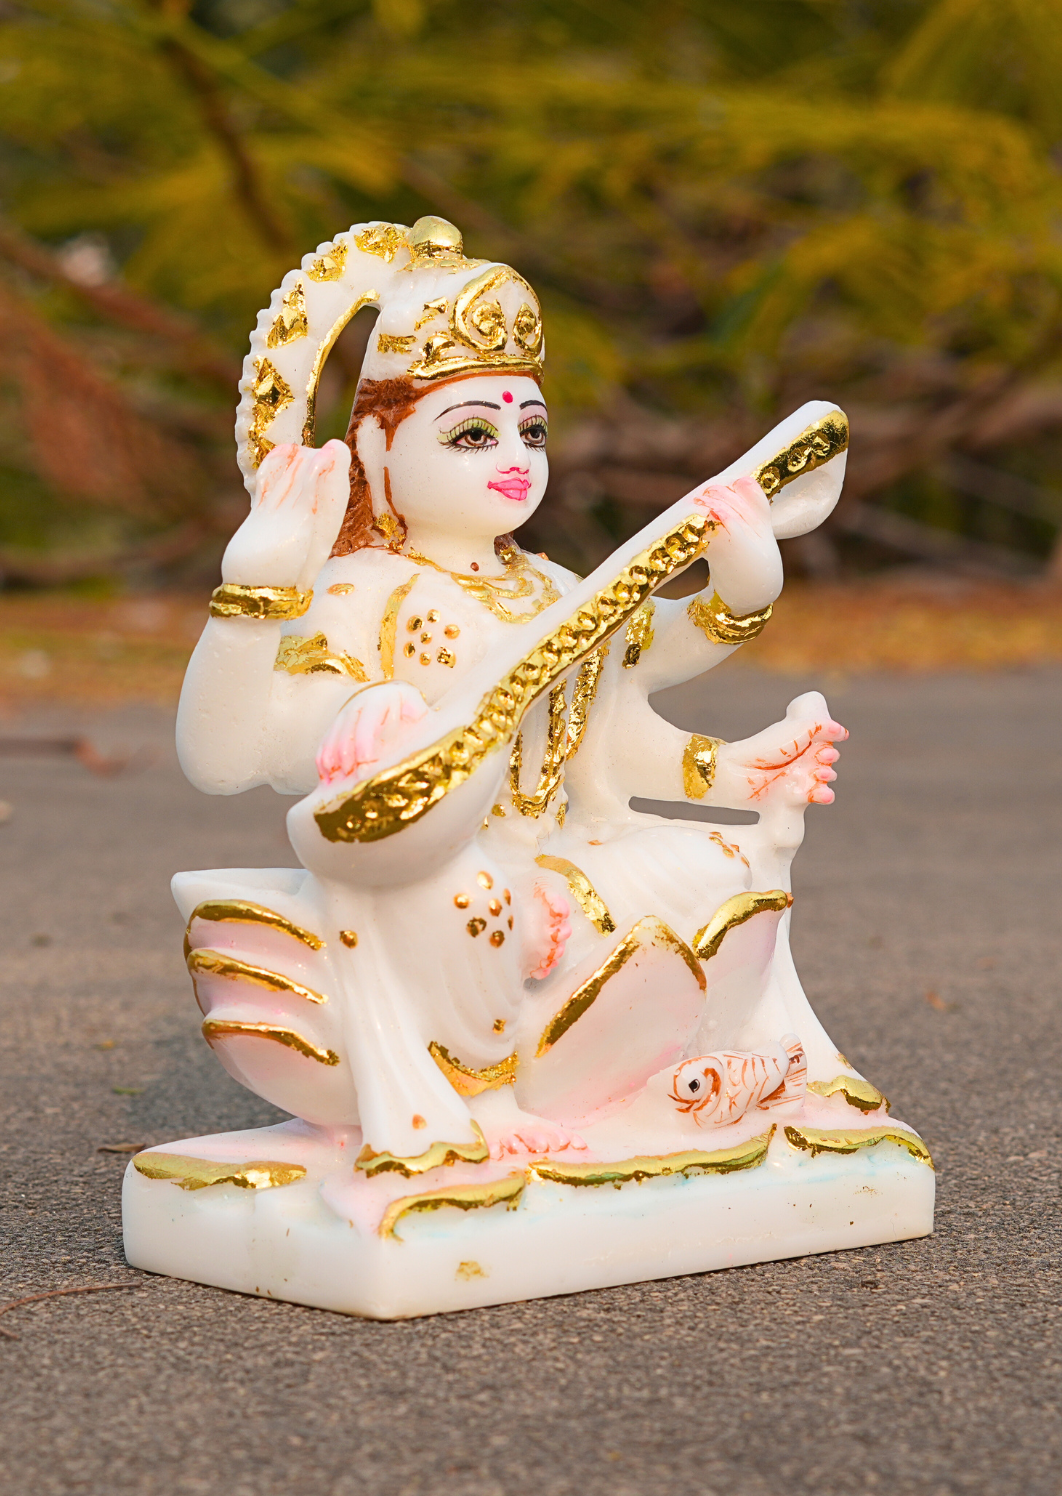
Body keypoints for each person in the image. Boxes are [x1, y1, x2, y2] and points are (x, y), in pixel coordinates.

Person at [175, 217, 847, 1174]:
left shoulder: (552, 586)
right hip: (442, 886)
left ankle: (654, 1071)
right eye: (474, 433)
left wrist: (740, 650)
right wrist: (276, 620)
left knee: (720, 868)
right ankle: (481, 1099)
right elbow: (224, 756)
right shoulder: (358, 589)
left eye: (532, 430)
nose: (516, 457)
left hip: (560, 863)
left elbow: (613, 724)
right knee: (474, 898)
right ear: (372, 446)